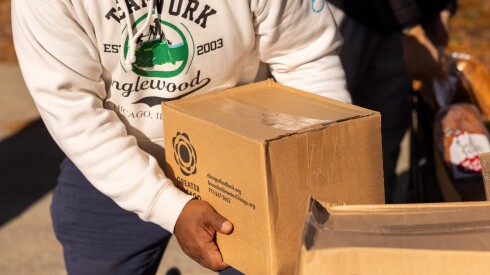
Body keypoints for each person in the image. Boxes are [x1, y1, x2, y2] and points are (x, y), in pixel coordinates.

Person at [12, 0, 350, 274]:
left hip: (241, 154)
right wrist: (168, 206)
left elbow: (306, 57)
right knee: (93, 245)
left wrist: (322, 167)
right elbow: (73, 109)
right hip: (114, 155)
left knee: (286, 261)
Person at [328, 0, 457, 203]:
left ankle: (376, 219)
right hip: (352, 12)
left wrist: (443, 7)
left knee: (382, 140)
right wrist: (411, 29)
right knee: (327, 131)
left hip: (404, 23)